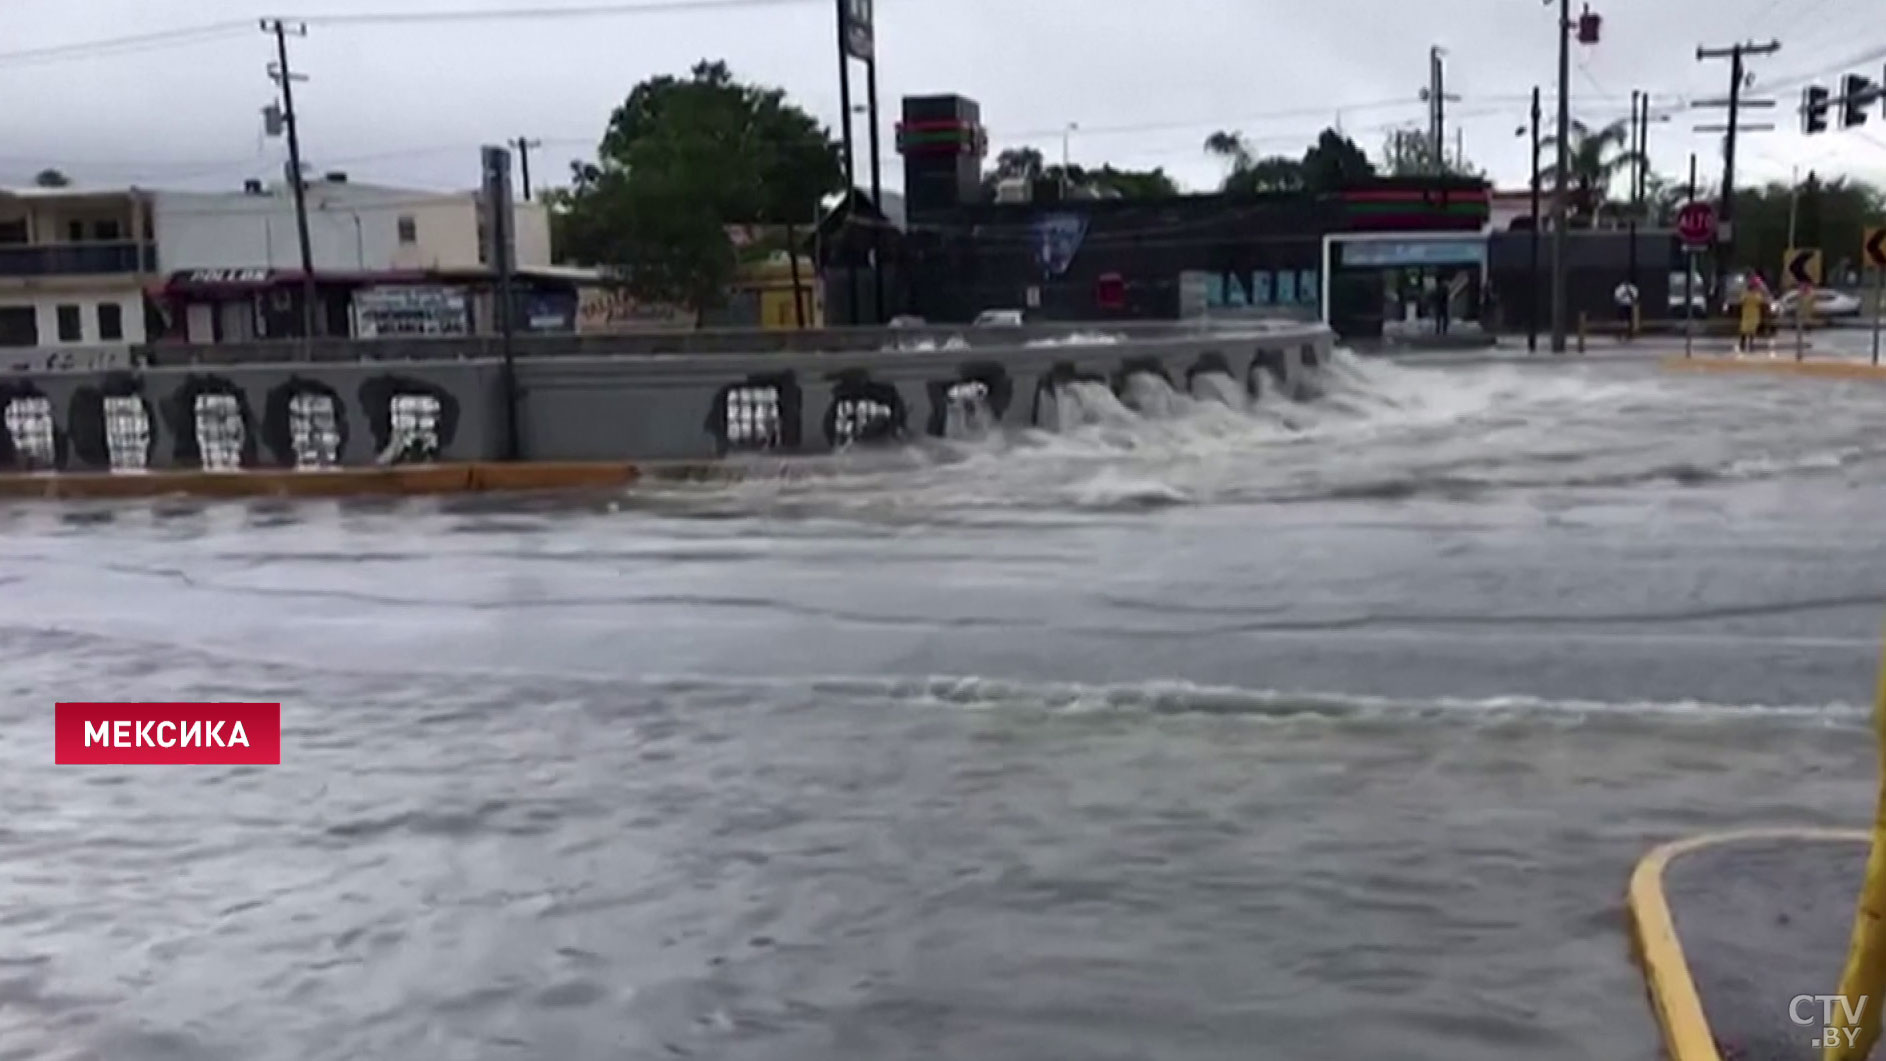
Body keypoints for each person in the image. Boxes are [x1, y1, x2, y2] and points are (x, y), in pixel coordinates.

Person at [1737, 276, 1767, 353]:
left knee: (1749, 330)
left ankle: (1746, 345)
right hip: (1749, 314)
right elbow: (1759, 301)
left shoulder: (1750, 294)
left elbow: (1742, 301)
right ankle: (1745, 345)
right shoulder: (1753, 294)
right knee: (1747, 330)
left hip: (1751, 314)